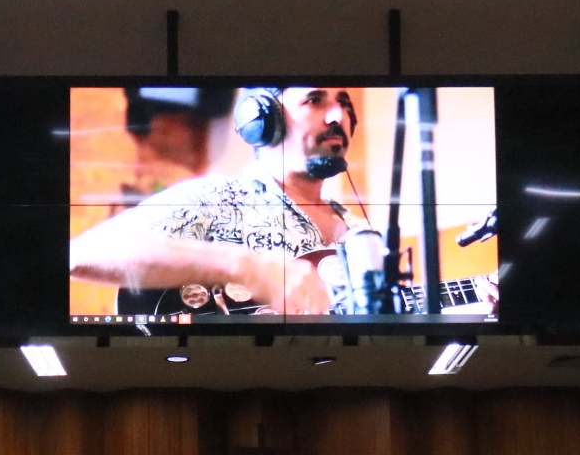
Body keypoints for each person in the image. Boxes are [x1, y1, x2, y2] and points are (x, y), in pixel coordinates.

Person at [69, 86, 362, 317]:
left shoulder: (362, 233)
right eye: (315, 101)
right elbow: (83, 253)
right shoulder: (219, 197)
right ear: (263, 119)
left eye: (345, 104)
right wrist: (251, 269)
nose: (338, 116)